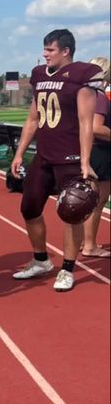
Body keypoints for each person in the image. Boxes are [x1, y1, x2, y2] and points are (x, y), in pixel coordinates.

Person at [10, 29, 104, 292]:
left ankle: (67, 268)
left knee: (72, 213)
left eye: (50, 50)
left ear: (66, 51)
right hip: (44, 155)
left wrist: (85, 161)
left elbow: (87, 122)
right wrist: (19, 153)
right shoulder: (39, 75)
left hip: (70, 156)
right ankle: (41, 260)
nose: (45, 54)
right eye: (44, 49)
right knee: (29, 208)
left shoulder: (82, 75)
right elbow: (33, 118)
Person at [81, 57, 110, 258]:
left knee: (92, 200)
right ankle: (90, 245)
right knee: (98, 201)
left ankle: (87, 241)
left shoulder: (85, 94)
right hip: (100, 152)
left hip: (92, 151)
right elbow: (96, 128)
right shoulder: (99, 96)